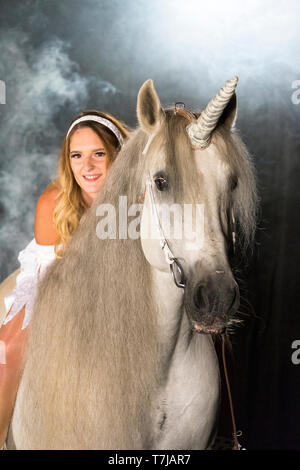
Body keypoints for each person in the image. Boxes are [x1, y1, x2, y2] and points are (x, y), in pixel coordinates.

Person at [0, 110, 129, 447]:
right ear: (67, 160)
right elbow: (51, 278)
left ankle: (226, 434)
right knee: (8, 346)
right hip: (59, 280)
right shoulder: (53, 201)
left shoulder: (141, 198)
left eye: (98, 154)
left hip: (125, 283)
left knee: (214, 337)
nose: (87, 166)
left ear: (117, 154)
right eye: (77, 156)